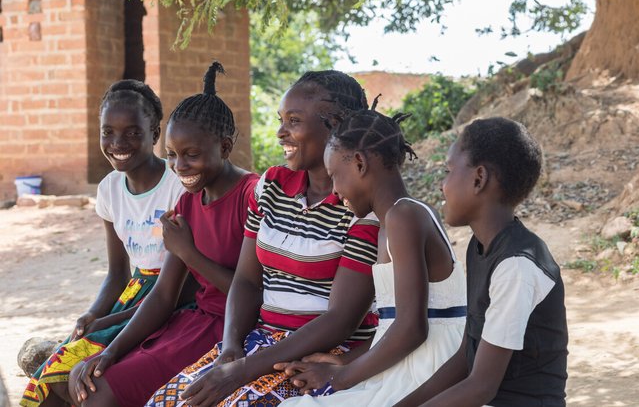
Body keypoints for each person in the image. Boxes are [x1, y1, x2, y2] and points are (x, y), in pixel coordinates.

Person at [145, 70, 381, 407]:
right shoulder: (271, 185)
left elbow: (341, 321)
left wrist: (242, 372)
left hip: (320, 356)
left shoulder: (359, 205)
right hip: (260, 342)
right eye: (280, 120)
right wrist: (230, 349)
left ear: (336, 125)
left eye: (294, 121)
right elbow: (246, 280)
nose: (280, 132)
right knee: (164, 403)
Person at [69, 61, 258, 407]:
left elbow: (253, 292)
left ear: (226, 147)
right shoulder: (187, 204)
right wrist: (112, 352)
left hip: (235, 329)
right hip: (192, 323)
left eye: (191, 155)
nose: (179, 167)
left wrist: (189, 253)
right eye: (172, 155)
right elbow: (162, 296)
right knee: (91, 383)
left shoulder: (251, 195)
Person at [276, 106, 467, 406]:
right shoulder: (394, 220)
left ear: (360, 164)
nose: (336, 192)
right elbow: (395, 323)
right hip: (416, 360)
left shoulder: (404, 216)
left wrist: (339, 377)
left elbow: (412, 329)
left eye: (335, 176)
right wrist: (343, 361)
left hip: (428, 368)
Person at [21, 80, 186, 407]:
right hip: (131, 297)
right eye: (107, 132)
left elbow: (179, 285)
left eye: (133, 132)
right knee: (54, 370)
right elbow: (116, 274)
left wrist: (108, 321)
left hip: (171, 298)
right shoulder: (110, 190)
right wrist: (92, 313)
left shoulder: (177, 186)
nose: (117, 142)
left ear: (154, 134)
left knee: (91, 379)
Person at [397, 117, 568, 407]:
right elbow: (467, 356)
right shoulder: (480, 247)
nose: (442, 185)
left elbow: (481, 388)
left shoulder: (517, 265)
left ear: (479, 178)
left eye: (448, 170)